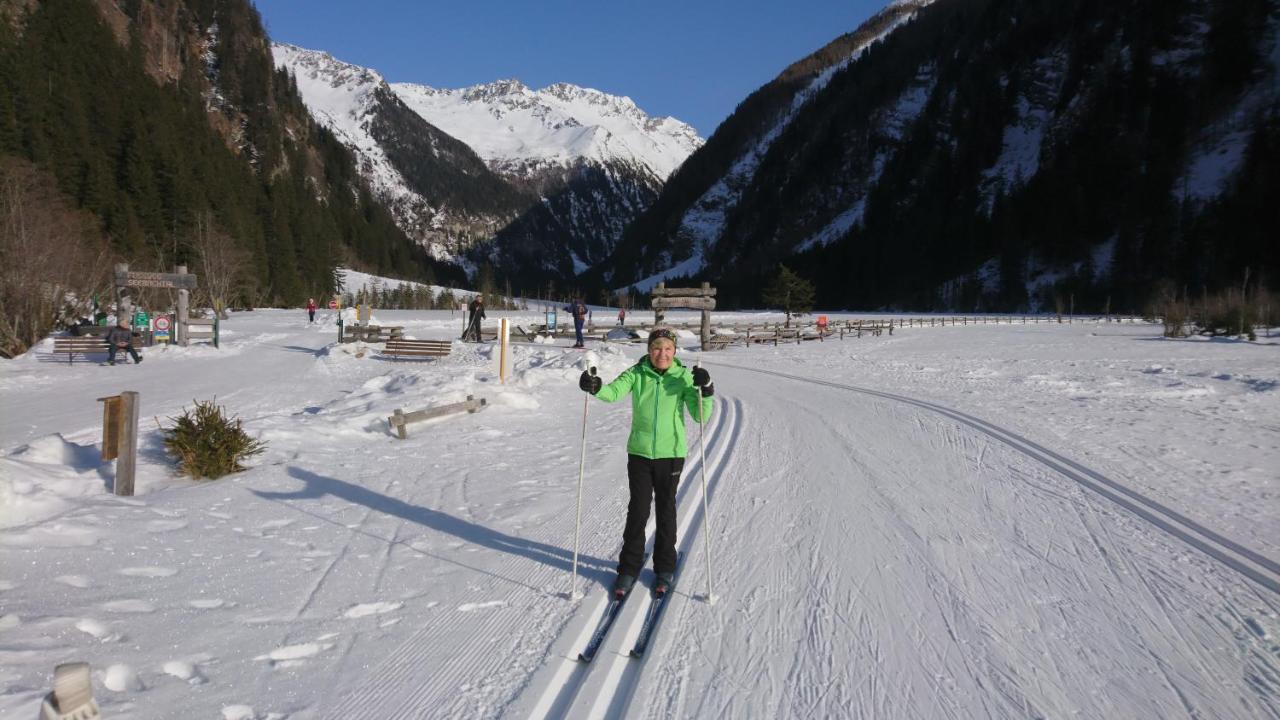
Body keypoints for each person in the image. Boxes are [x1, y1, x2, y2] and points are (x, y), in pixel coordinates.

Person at [578, 327, 714, 598]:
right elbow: (614, 392)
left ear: (674, 351)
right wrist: (596, 387)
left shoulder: (685, 377)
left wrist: (706, 389)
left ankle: (664, 567)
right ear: (648, 350)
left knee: (666, 510)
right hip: (639, 453)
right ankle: (628, 568)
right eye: (656, 348)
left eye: (667, 349)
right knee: (638, 511)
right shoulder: (637, 373)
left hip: (671, 453)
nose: (661, 354)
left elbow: (700, 416)